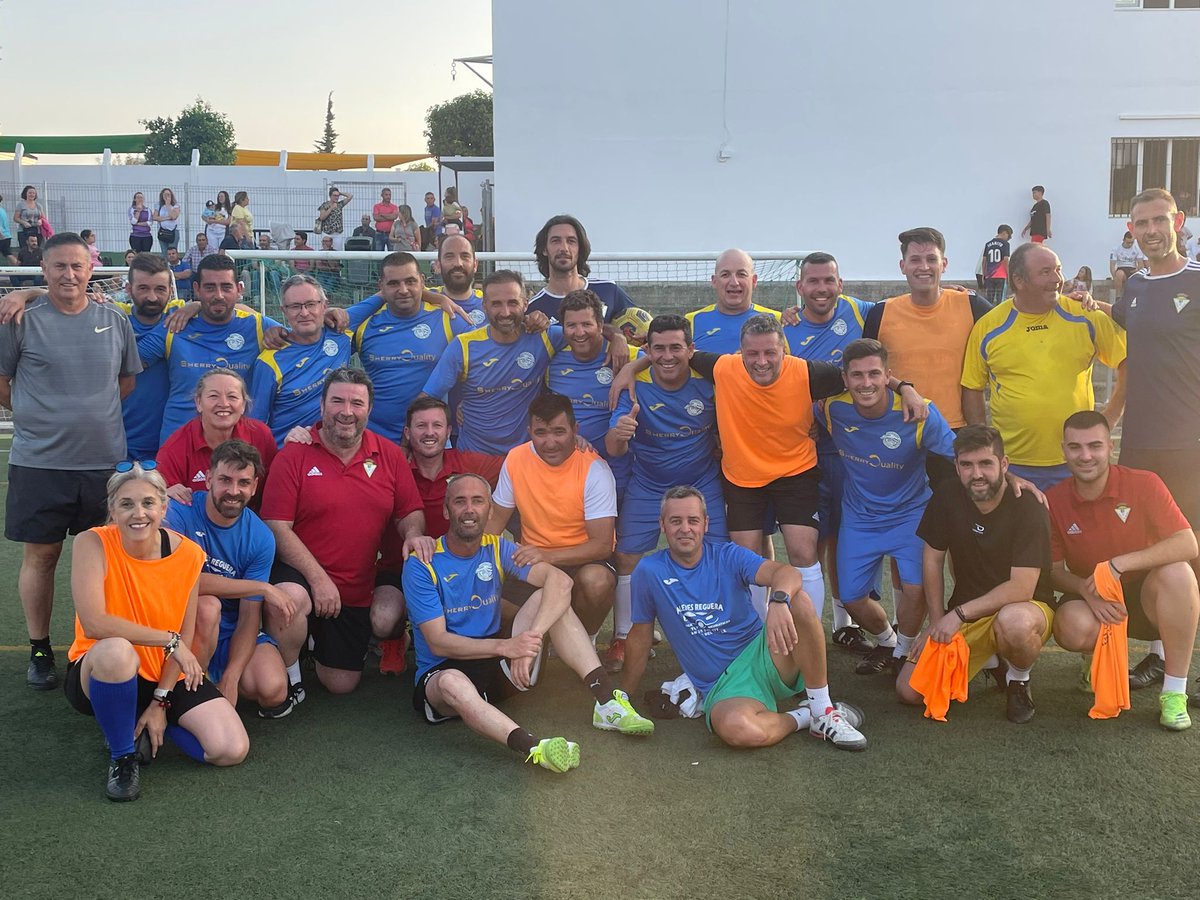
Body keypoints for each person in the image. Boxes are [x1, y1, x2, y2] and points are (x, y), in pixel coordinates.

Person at [611, 314, 926, 625]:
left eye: (769, 353)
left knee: (803, 553)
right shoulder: (723, 367)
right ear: (741, 352)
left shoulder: (807, 373)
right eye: (753, 354)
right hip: (743, 479)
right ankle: (757, 639)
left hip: (796, 473)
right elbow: (671, 356)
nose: (761, 361)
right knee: (746, 558)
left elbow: (857, 372)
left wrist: (905, 387)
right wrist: (631, 366)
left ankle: (808, 635)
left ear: (783, 352)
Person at [402, 473, 653, 773]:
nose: (469, 509)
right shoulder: (422, 564)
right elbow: (438, 641)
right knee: (453, 682)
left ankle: (606, 702)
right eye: (460, 501)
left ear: (490, 512)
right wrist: (507, 645)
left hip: (500, 667)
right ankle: (535, 747)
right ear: (446, 511)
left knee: (551, 597)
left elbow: (558, 580)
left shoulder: (498, 548)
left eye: (478, 501)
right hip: (443, 674)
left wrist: (528, 642)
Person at [621, 486, 867, 750]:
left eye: (693, 520)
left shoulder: (728, 555)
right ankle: (806, 717)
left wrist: (778, 601)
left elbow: (787, 573)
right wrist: (623, 694)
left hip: (766, 656)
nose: (685, 529)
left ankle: (822, 710)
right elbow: (640, 634)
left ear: (705, 523)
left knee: (799, 601)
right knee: (738, 730)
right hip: (724, 686)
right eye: (675, 521)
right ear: (662, 525)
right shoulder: (650, 571)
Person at [1, 232, 141, 690]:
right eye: (59, 266)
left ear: (90, 270)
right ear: (43, 270)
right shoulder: (19, 320)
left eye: (77, 266)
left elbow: (125, 383)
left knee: (102, 562)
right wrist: (34, 416)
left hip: (102, 466)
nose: (69, 274)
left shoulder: (113, 320)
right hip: (39, 464)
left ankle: (94, 646)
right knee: (41, 558)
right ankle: (40, 649)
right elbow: (3, 383)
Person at [66, 463, 247, 801]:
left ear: (164, 508)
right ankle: (123, 756)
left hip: (163, 672)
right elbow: (95, 624)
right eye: (126, 504)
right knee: (117, 651)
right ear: (112, 510)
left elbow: (185, 630)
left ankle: (141, 722)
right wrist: (169, 641)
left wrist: (161, 703)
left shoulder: (190, 554)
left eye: (148, 503)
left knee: (230, 749)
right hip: (100, 669)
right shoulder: (92, 543)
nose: (139, 513)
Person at [261, 368, 427, 697]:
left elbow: (410, 511)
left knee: (341, 684)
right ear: (322, 405)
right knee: (290, 601)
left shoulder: (389, 454)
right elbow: (276, 526)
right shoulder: (294, 454)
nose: (346, 412)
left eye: (356, 403)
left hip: (355, 588)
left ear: (369, 409)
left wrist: (413, 533)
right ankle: (292, 674)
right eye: (337, 401)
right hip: (303, 576)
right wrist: (319, 579)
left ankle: (312, 638)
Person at [1046, 411, 1198, 729]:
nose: (1085, 456)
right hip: (1095, 596)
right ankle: (1096, 660)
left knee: (1178, 573)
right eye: (1075, 447)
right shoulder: (1054, 500)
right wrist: (1090, 592)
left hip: (1146, 594)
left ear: (1110, 447)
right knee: (1070, 626)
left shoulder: (1144, 483)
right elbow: (1055, 571)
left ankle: (1174, 692)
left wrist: (1119, 563)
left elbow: (1187, 544)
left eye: (1095, 446)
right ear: (1063, 450)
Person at [896, 425, 1055, 724]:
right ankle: (992, 658)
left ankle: (1018, 680)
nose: (976, 473)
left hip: (1026, 607)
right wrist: (935, 620)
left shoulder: (1028, 506)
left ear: (1004, 465)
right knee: (909, 691)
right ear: (956, 466)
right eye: (967, 465)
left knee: (1014, 623)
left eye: (986, 463)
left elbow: (1021, 588)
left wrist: (956, 614)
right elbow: (932, 558)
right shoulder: (948, 495)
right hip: (970, 610)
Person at [1107, 187, 1200, 690]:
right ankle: (1161, 654)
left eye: (1158, 221)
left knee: (1192, 547)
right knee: (1153, 544)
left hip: (1191, 443)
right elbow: (1130, 324)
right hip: (1140, 442)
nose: (1150, 232)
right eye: (1140, 224)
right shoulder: (1136, 288)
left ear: (1178, 221)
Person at [823, 339, 957, 677]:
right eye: (857, 375)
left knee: (916, 588)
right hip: (860, 517)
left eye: (874, 374)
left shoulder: (919, 411)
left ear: (887, 377)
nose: (866, 383)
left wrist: (1008, 476)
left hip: (910, 514)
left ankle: (902, 651)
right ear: (845, 378)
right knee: (851, 597)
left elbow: (961, 457)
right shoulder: (829, 408)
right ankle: (885, 640)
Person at [604, 314, 726, 672]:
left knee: (716, 554)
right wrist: (620, 434)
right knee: (627, 556)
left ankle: (715, 631)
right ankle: (624, 635)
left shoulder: (711, 382)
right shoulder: (634, 385)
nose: (668, 355)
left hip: (701, 482)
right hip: (650, 482)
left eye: (676, 347)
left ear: (691, 349)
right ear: (648, 350)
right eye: (659, 348)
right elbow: (613, 448)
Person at [962, 242, 1127, 491]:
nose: (1058, 279)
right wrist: (986, 447)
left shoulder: (1085, 315)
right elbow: (972, 387)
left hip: (1077, 461)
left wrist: (1111, 417)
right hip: (1013, 465)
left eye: (1059, 270)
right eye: (1046, 272)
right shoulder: (989, 327)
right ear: (1019, 280)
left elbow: (1128, 363)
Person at [782, 251, 877, 651]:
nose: (821, 288)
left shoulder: (862, 312)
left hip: (854, 448)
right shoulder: (782, 330)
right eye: (813, 282)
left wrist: (955, 291)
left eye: (829, 281)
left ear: (841, 284)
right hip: (805, 449)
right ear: (800, 287)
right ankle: (808, 625)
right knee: (812, 539)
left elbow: (912, 304)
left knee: (846, 534)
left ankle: (844, 623)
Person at [368, 397, 505, 675]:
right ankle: (396, 639)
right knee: (382, 619)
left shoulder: (467, 464)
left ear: (448, 430)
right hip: (400, 569)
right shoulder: (391, 467)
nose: (429, 432)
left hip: (458, 574)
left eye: (436, 425)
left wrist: (578, 443)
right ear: (407, 433)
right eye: (421, 426)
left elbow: (517, 462)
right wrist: (304, 434)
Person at [164, 440, 297, 719]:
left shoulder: (260, 537)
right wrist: (260, 586)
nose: (233, 491)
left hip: (227, 634)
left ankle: (217, 677)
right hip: (179, 628)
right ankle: (186, 695)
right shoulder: (180, 511)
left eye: (243, 482)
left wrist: (233, 677)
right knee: (207, 605)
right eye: (225, 480)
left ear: (255, 486)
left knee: (273, 689)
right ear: (209, 478)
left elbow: (250, 616)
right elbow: (179, 582)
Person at [488, 393, 619, 642]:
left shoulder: (595, 468)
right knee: (498, 609)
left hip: (583, 559)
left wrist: (547, 554)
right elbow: (493, 524)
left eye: (559, 432)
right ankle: (545, 638)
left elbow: (602, 546)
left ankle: (585, 638)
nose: (549, 442)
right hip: (534, 561)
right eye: (541, 433)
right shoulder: (516, 458)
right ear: (529, 431)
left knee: (596, 582)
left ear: (574, 430)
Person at [137, 253, 283, 444]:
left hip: (235, 449)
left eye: (226, 287)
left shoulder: (257, 326)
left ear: (239, 289)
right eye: (210, 288)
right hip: (179, 447)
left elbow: (304, 333)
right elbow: (127, 360)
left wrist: (329, 313)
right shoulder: (175, 326)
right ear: (196, 289)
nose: (218, 296)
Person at [420, 270, 569, 455]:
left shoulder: (544, 337)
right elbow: (427, 399)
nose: (505, 312)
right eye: (496, 304)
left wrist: (616, 338)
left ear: (525, 304)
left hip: (524, 458)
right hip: (475, 458)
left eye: (512, 303)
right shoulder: (464, 345)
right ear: (484, 307)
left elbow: (589, 333)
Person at [863, 227, 992, 432]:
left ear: (944, 264)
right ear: (902, 266)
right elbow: (866, 370)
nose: (924, 267)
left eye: (932, 259)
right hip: (899, 429)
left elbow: (1010, 329)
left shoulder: (971, 305)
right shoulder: (881, 313)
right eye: (915, 260)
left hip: (955, 431)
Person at [340, 252, 473, 442]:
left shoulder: (448, 318)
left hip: (430, 440)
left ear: (422, 281)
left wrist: (467, 400)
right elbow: (324, 346)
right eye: (394, 283)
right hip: (375, 438)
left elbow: (486, 355)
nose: (403, 290)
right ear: (381, 287)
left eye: (410, 281)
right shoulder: (364, 325)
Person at [548, 289, 636, 499]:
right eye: (571, 325)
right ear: (563, 328)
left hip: (618, 469)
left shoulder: (626, 356)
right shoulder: (552, 359)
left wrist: (632, 366)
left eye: (586, 324)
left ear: (600, 324)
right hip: (568, 467)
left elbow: (660, 357)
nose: (579, 332)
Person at [248, 275, 352, 445]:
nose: (304, 313)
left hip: (334, 451)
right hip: (288, 455)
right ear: (284, 311)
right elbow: (255, 425)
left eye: (311, 304)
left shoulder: (342, 334)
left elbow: (385, 296)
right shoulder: (269, 362)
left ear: (324, 305)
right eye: (295, 306)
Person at [156, 368, 277, 508]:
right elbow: (157, 501)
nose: (224, 403)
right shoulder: (175, 448)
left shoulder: (261, 435)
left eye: (232, 397)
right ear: (199, 402)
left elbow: (276, 489)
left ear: (243, 405)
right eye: (214, 396)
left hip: (251, 521)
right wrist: (165, 494)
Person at [528, 214, 634, 324]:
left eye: (571, 241)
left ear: (580, 248)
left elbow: (642, 332)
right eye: (556, 241)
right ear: (544, 249)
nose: (564, 248)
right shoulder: (534, 309)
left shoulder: (609, 291)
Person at [687, 248, 782, 354]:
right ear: (714, 281)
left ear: (754, 280)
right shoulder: (691, 321)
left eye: (741, 274)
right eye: (725, 275)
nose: (734, 282)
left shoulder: (779, 320)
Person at [431, 233, 485, 325]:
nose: (458, 263)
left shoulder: (489, 303)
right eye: (449, 257)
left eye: (465, 256)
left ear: (475, 264)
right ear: (438, 265)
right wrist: (440, 299)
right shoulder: (424, 299)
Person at [980, 225, 1013, 306]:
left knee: (989, 300)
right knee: (1000, 301)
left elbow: (984, 261)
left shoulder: (988, 244)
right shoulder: (1005, 244)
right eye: (1009, 236)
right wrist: (1009, 274)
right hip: (1001, 276)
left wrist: (984, 274)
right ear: (1004, 233)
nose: (1009, 238)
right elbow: (1006, 260)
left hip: (990, 276)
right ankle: (1000, 317)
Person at [1110, 231, 1145, 300]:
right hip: (1121, 268)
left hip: (1132, 269)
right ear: (1123, 240)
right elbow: (1112, 265)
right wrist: (1114, 277)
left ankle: (1136, 298)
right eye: (1128, 242)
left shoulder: (1137, 249)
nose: (1130, 244)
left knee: (1138, 275)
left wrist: (1138, 270)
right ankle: (1118, 297)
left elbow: (1140, 264)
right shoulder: (1116, 249)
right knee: (1119, 274)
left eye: (1132, 242)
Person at [315, 186, 352, 251]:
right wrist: (331, 208)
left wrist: (340, 193)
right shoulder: (325, 205)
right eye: (334, 195)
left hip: (337, 233)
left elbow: (350, 196)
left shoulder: (340, 204)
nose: (336, 197)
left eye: (337, 196)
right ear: (330, 196)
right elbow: (322, 217)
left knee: (337, 252)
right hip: (327, 232)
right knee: (326, 251)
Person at [153, 188, 181, 256]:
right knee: (164, 253)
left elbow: (174, 216)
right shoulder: (158, 205)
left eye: (168, 194)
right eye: (165, 194)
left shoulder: (175, 205)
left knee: (172, 252)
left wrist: (168, 205)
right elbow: (155, 217)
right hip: (162, 231)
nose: (166, 196)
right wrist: (167, 218)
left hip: (173, 232)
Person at [0, 192, 13, 262]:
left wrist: (1, 235)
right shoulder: (2, 210)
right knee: (7, 254)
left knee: (7, 254)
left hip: (2, 236)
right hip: (7, 235)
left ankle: (20, 267)